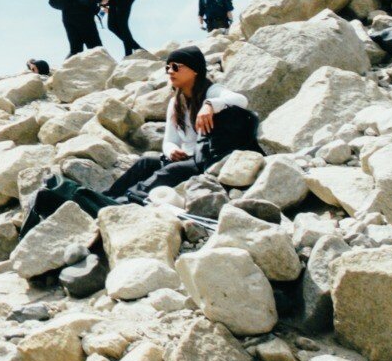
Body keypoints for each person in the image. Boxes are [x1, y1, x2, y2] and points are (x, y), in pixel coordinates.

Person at [20, 46, 257, 232]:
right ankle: (109, 198)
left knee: (166, 173)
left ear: (194, 70)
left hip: (204, 160)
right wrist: (172, 149)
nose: (170, 72)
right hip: (184, 157)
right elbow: (169, 139)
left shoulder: (211, 92)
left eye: (176, 67)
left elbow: (240, 100)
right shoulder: (176, 102)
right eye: (167, 67)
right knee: (146, 162)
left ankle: (128, 203)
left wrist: (209, 106)